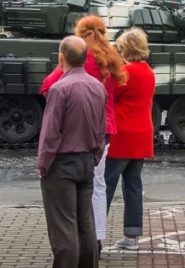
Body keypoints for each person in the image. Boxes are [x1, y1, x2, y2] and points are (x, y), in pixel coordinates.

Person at [41, 15, 127, 250]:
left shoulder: (80, 58)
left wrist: (61, 67)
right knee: (98, 185)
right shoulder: (112, 57)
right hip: (104, 130)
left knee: (71, 190)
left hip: (74, 132)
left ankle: (74, 241)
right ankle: (96, 238)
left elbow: (48, 87)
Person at [38, 36, 107, 268]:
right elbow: (101, 128)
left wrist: (44, 165)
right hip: (87, 161)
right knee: (86, 225)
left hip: (62, 164)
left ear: (61, 57)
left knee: (64, 226)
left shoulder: (59, 89)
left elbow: (50, 134)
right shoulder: (98, 87)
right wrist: (95, 156)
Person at [105, 28, 156, 250]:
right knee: (133, 185)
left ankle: (94, 233)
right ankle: (132, 237)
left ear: (125, 49)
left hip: (121, 135)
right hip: (142, 135)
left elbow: (107, 97)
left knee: (105, 185)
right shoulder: (148, 72)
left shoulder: (123, 73)